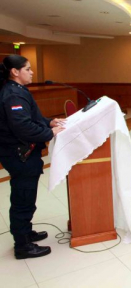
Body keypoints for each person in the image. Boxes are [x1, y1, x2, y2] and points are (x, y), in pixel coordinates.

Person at [0, 55, 65, 259]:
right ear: (15, 72)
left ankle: (26, 233)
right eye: (27, 69)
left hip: (25, 154)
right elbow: (22, 126)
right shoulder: (12, 95)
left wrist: (49, 122)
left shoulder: (19, 91)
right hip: (19, 155)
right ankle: (22, 246)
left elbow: (32, 118)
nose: (32, 72)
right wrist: (50, 133)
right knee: (23, 198)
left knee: (27, 197)